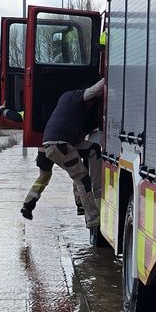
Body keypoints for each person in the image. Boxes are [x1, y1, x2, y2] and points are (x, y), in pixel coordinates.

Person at [21, 79, 105, 231]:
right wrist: (109, 76)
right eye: (91, 103)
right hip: (60, 146)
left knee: (91, 151)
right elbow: (94, 90)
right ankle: (93, 220)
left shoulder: (65, 106)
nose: (91, 107)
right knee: (82, 179)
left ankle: (28, 204)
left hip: (49, 147)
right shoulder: (77, 97)